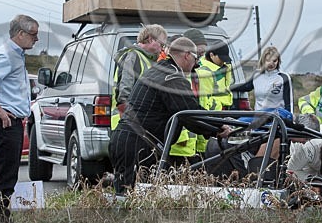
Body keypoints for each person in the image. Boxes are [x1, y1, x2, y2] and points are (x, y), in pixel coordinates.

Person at [108, 37, 232, 195]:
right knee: (134, 198)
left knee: (127, 194)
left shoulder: (158, 70)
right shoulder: (172, 78)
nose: (197, 64)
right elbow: (190, 113)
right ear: (187, 55)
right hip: (138, 144)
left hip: (126, 139)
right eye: (196, 58)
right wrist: (218, 128)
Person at [0, 14, 39, 223]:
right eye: (33, 34)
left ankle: (3, 218)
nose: (36, 39)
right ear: (20, 34)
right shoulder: (6, 55)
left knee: (8, 174)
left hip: (13, 121)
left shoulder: (17, 55)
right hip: (4, 122)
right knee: (3, 176)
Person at [110, 24, 167, 129]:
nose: (162, 49)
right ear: (150, 39)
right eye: (161, 44)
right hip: (127, 124)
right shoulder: (133, 55)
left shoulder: (148, 59)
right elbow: (125, 89)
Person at [230, 46, 293, 112]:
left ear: (278, 61)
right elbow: (245, 87)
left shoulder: (284, 77)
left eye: (274, 61)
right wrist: (228, 88)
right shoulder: (256, 75)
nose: (271, 64)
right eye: (268, 60)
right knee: (239, 121)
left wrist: (288, 119)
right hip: (258, 115)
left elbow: (289, 103)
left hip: (276, 116)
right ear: (263, 60)